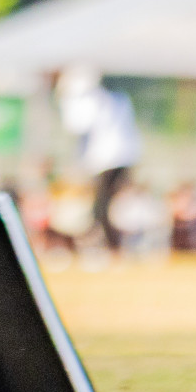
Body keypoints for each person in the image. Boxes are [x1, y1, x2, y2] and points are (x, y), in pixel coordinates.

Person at [55, 66, 141, 253]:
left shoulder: (89, 101)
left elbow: (77, 127)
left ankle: (110, 248)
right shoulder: (115, 99)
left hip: (104, 162)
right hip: (117, 160)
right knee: (103, 207)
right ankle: (108, 246)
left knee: (101, 207)